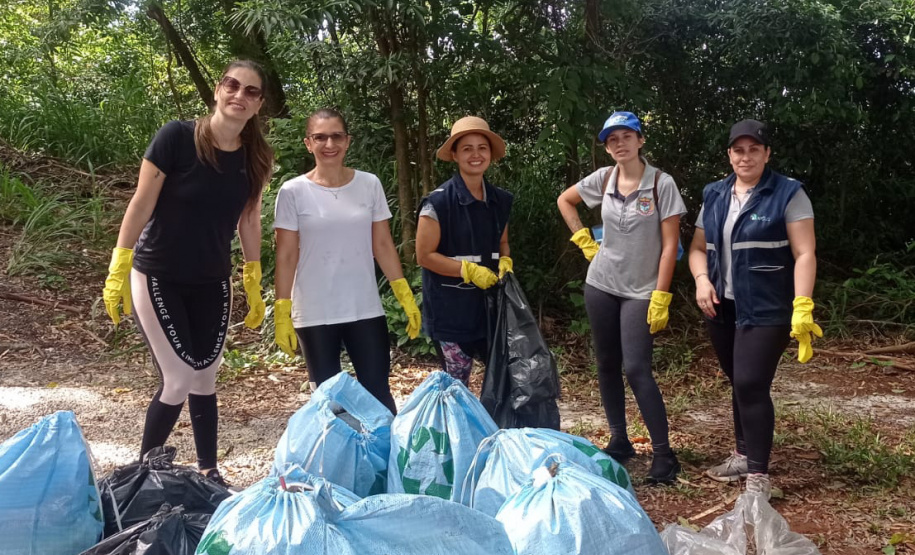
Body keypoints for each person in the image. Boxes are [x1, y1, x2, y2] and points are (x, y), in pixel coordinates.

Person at [102, 60, 273, 486]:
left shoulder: (256, 157)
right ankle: (143, 476)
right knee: (177, 377)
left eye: (250, 91)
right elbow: (141, 203)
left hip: (212, 278)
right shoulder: (176, 137)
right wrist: (119, 265)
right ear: (218, 90)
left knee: (205, 375)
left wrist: (253, 279)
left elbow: (249, 219)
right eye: (232, 85)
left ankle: (209, 469)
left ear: (259, 104)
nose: (239, 95)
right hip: (157, 272)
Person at [688, 119, 820, 498]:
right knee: (739, 381)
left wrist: (803, 305)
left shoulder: (788, 193)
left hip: (768, 306)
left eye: (754, 149)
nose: (746, 156)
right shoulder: (714, 194)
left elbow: (805, 252)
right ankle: (743, 454)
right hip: (721, 305)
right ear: (729, 154)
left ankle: (759, 477)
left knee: (750, 382)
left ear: (766, 153)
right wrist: (701, 280)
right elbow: (698, 249)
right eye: (738, 150)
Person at [557, 111, 686, 484]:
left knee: (636, 368)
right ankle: (620, 439)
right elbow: (566, 201)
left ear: (640, 140)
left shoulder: (661, 183)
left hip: (642, 291)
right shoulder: (604, 178)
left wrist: (661, 293)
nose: (619, 143)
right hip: (601, 283)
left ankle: (664, 454)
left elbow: (670, 245)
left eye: (626, 136)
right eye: (611, 139)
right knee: (606, 363)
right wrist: (583, 239)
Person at [271, 108, 420, 414]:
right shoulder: (293, 191)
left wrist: (404, 293)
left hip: (363, 306)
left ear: (348, 140)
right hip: (314, 311)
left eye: (336, 135)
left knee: (377, 392)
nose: (329, 144)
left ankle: (385, 459)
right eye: (320, 137)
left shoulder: (369, 184)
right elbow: (286, 254)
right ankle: (333, 460)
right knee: (327, 401)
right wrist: (282, 309)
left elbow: (382, 244)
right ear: (308, 143)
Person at [415, 116, 513, 385]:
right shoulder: (438, 202)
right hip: (451, 311)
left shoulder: (500, 201)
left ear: (490, 154)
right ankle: (454, 427)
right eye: (467, 148)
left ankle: (492, 427)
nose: (475, 154)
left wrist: (505, 260)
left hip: (491, 308)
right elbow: (424, 256)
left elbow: (502, 242)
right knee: (456, 385)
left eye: (482, 147)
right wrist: (467, 270)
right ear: (455, 155)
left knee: (503, 379)